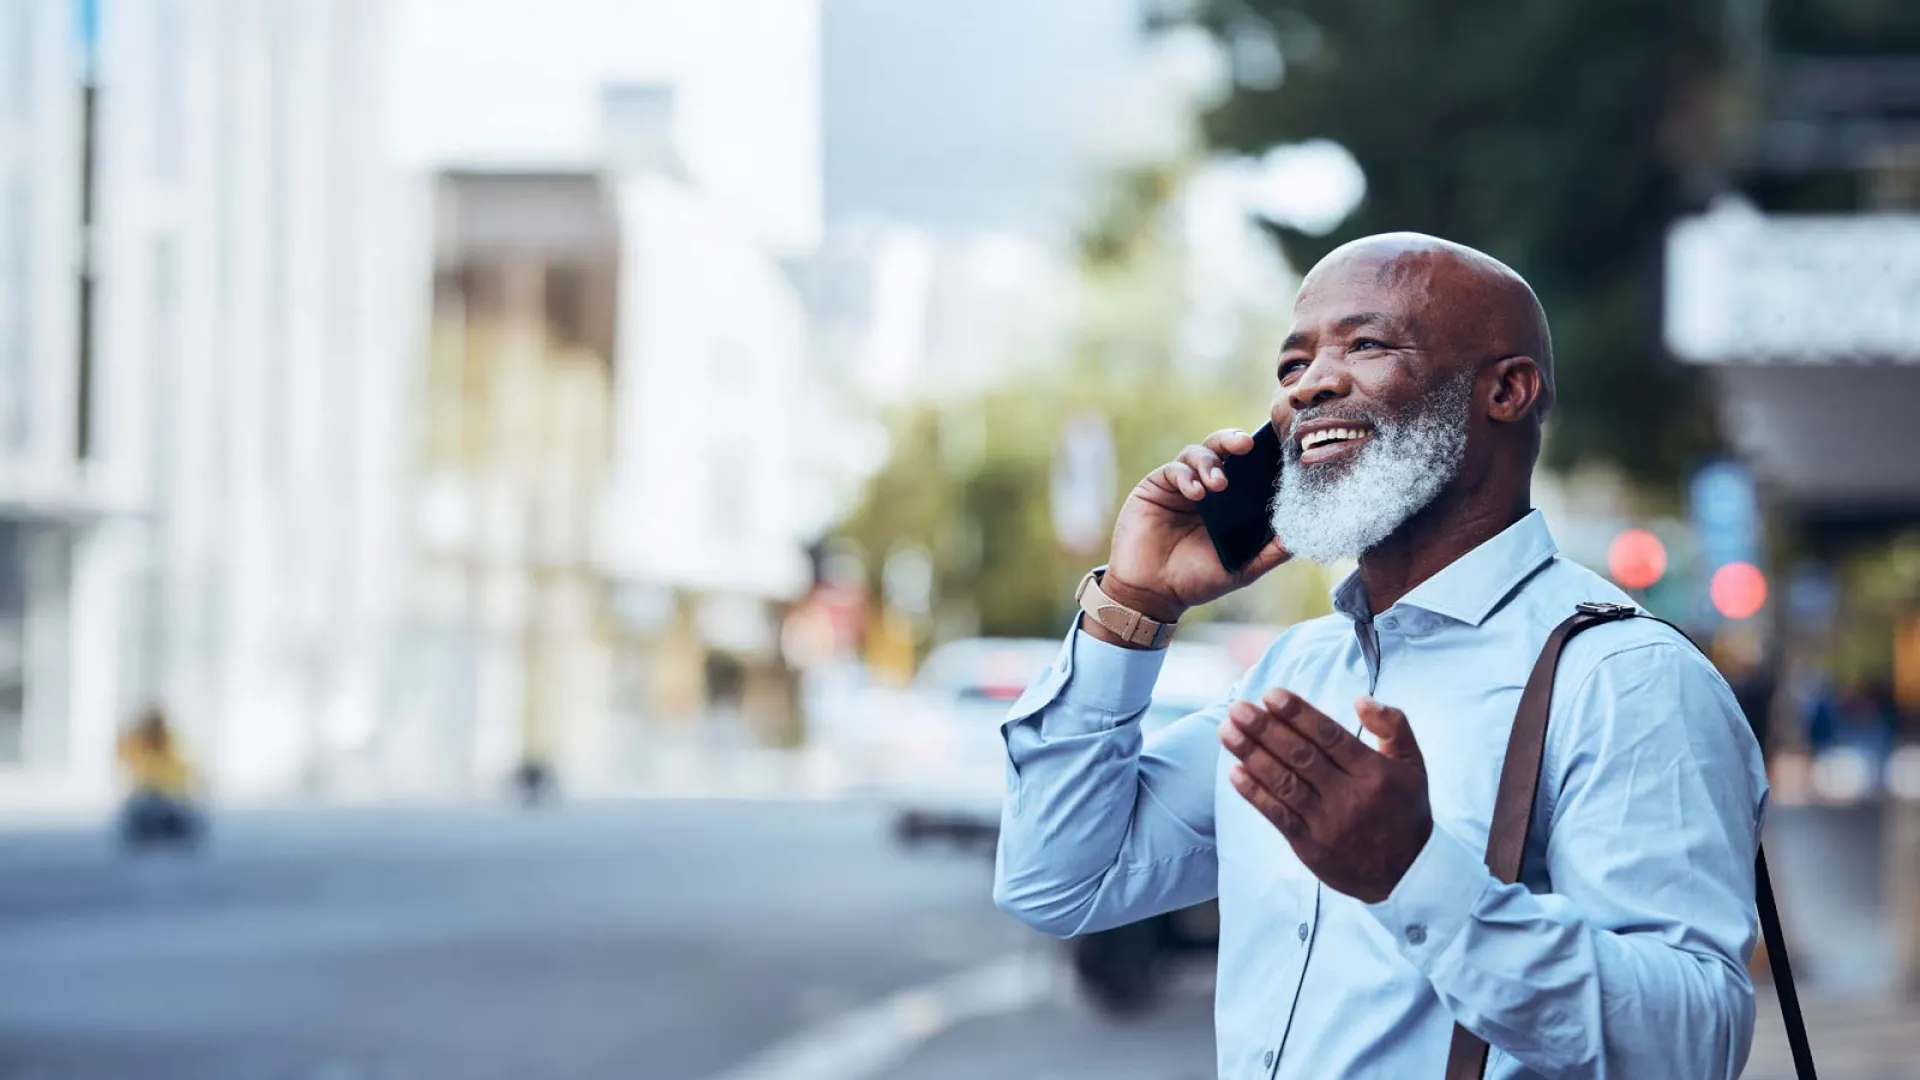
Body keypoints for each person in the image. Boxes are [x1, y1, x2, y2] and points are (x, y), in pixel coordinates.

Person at [993, 233, 1767, 1078]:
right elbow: (1059, 879)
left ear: (1505, 390)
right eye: (1292, 366)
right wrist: (1133, 608)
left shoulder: (1624, 679)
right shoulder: (1299, 671)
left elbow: (1695, 1045)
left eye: (1365, 345)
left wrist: (1415, 874)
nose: (1312, 383)